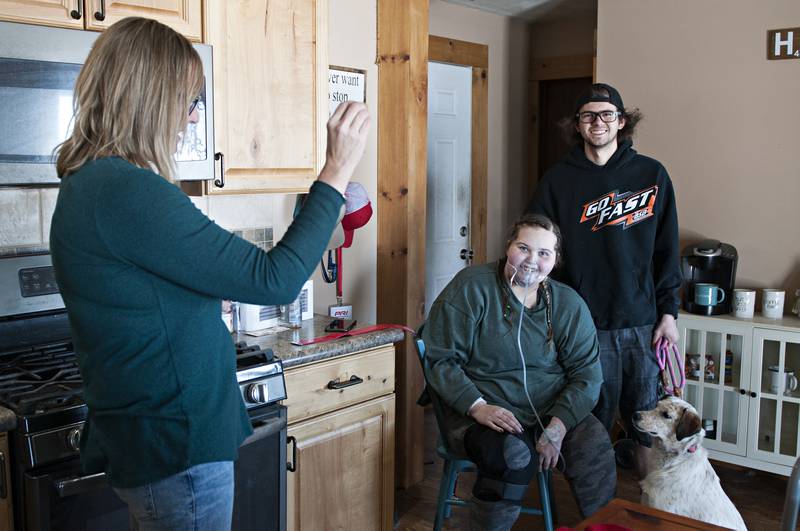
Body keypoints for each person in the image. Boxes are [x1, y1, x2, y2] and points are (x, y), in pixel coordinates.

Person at [49, 17, 370, 530]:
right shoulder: (127, 191)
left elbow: (143, 298)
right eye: (189, 99)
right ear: (152, 99)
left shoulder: (89, 186)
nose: (193, 117)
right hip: (175, 446)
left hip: (153, 442)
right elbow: (276, 279)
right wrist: (336, 170)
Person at [422, 214, 615, 531]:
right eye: (523, 248)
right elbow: (440, 360)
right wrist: (477, 406)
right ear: (508, 246)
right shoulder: (472, 288)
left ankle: (603, 526)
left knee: (594, 444)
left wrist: (559, 424)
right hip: (478, 412)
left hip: (548, 410)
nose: (531, 261)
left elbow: (587, 375)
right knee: (513, 457)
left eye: (544, 253)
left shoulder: (568, 304)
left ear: (555, 260)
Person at [525, 83, 681, 476]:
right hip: (583, 325)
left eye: (607, 114)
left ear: (622, 122)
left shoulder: (652, 174)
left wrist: (669, 313)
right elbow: (536, 244)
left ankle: (647, 510)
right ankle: (595, 512)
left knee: (646, 427)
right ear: (577, 125)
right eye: (588, 115)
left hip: (641, 322)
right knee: (589, 427)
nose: (598, 122)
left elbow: (666, 250)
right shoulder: (558, 180)